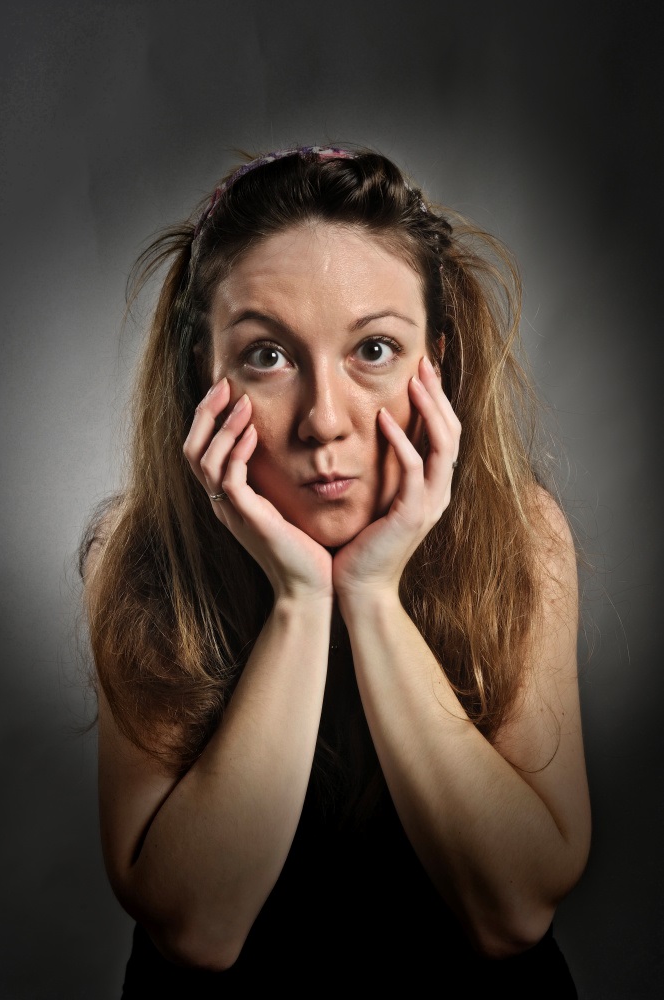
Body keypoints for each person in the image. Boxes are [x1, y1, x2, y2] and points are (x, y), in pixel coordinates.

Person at [80, 145, 591, 996]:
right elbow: (197, 929)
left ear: (436, 363)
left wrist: (370, 593)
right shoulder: (137, 555)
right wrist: (298, 599)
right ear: (202, 372)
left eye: (374, 349)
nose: (324, 419)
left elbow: (511, 913)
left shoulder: (522, 535)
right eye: (267, 356)